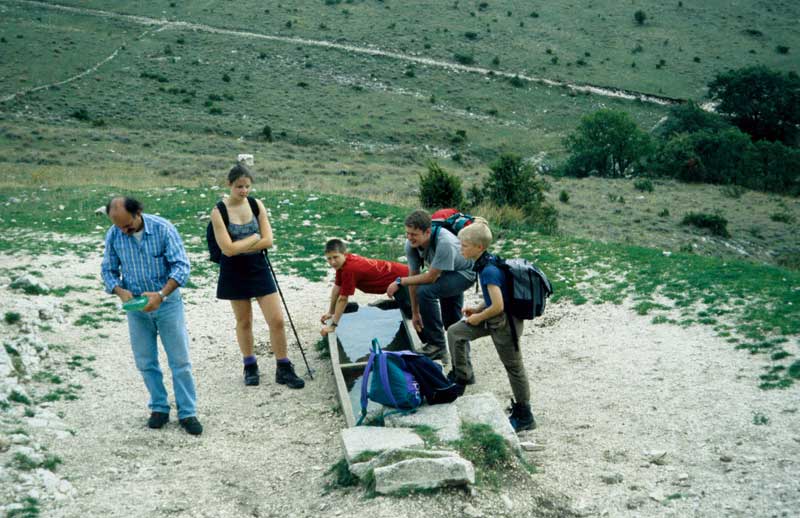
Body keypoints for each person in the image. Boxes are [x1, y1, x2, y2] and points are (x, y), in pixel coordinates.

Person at [101, 196, 203, 436]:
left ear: (138, 213)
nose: (124, 231)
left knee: (180, 361)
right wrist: (119, 290)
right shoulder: (114, 234)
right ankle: (159, 407)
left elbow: (181, 267)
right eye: (118, 227)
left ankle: (187, 412)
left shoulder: (163, 229)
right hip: (137, 309)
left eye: (127, 225)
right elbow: (108, 269)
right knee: (145, 361)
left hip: (168, 305)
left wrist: (161, 294)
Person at [210, 163, 304, 389]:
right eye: (239, 187)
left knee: (277, 320)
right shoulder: (218, 212)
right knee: (244, 321)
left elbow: (269, 240)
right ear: (229, 185)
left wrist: (242, 244)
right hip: (233, 270)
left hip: (258, 266)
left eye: (247, 186)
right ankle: (250, 365)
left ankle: (283, 367)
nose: (244, 191)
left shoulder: (255, 204)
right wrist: (253, 238)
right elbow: (227, 250)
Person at [446, 221, 535, 432]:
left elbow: (498, 305)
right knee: (455, 332)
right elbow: (493, 300)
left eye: (464, 245)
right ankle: (462, 378)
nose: (461, 249)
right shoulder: (486, 263)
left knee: (514, 367)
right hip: (492, 318)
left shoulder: (489, 271)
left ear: (479, 247)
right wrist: (476, 310)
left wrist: (478, 318)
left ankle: (525, 415)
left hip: (505, 325)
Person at [386, 210, 476, 363]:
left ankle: (438, 346)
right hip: (447, 272)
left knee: (426, 292)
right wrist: (415, 313)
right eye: (407, 233)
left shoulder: (444, 242)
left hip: (465, 273)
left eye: (414, 234)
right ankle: (459, 363)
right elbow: (414, 278)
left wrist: (400, 281)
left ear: (427, 232)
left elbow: (430, 277)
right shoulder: (411, 245)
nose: (409, 238)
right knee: (452, 322)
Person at [320, 238, 410, 336]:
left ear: (344, 254)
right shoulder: (342, 264)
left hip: (406, 279)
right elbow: (337, 287)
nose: (332, 262)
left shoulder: (349, 269)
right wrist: (331, 312)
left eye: (335, 257)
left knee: (411, 315)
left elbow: (343, 299)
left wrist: (333, 326)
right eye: (329, 258)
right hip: (401, 276)